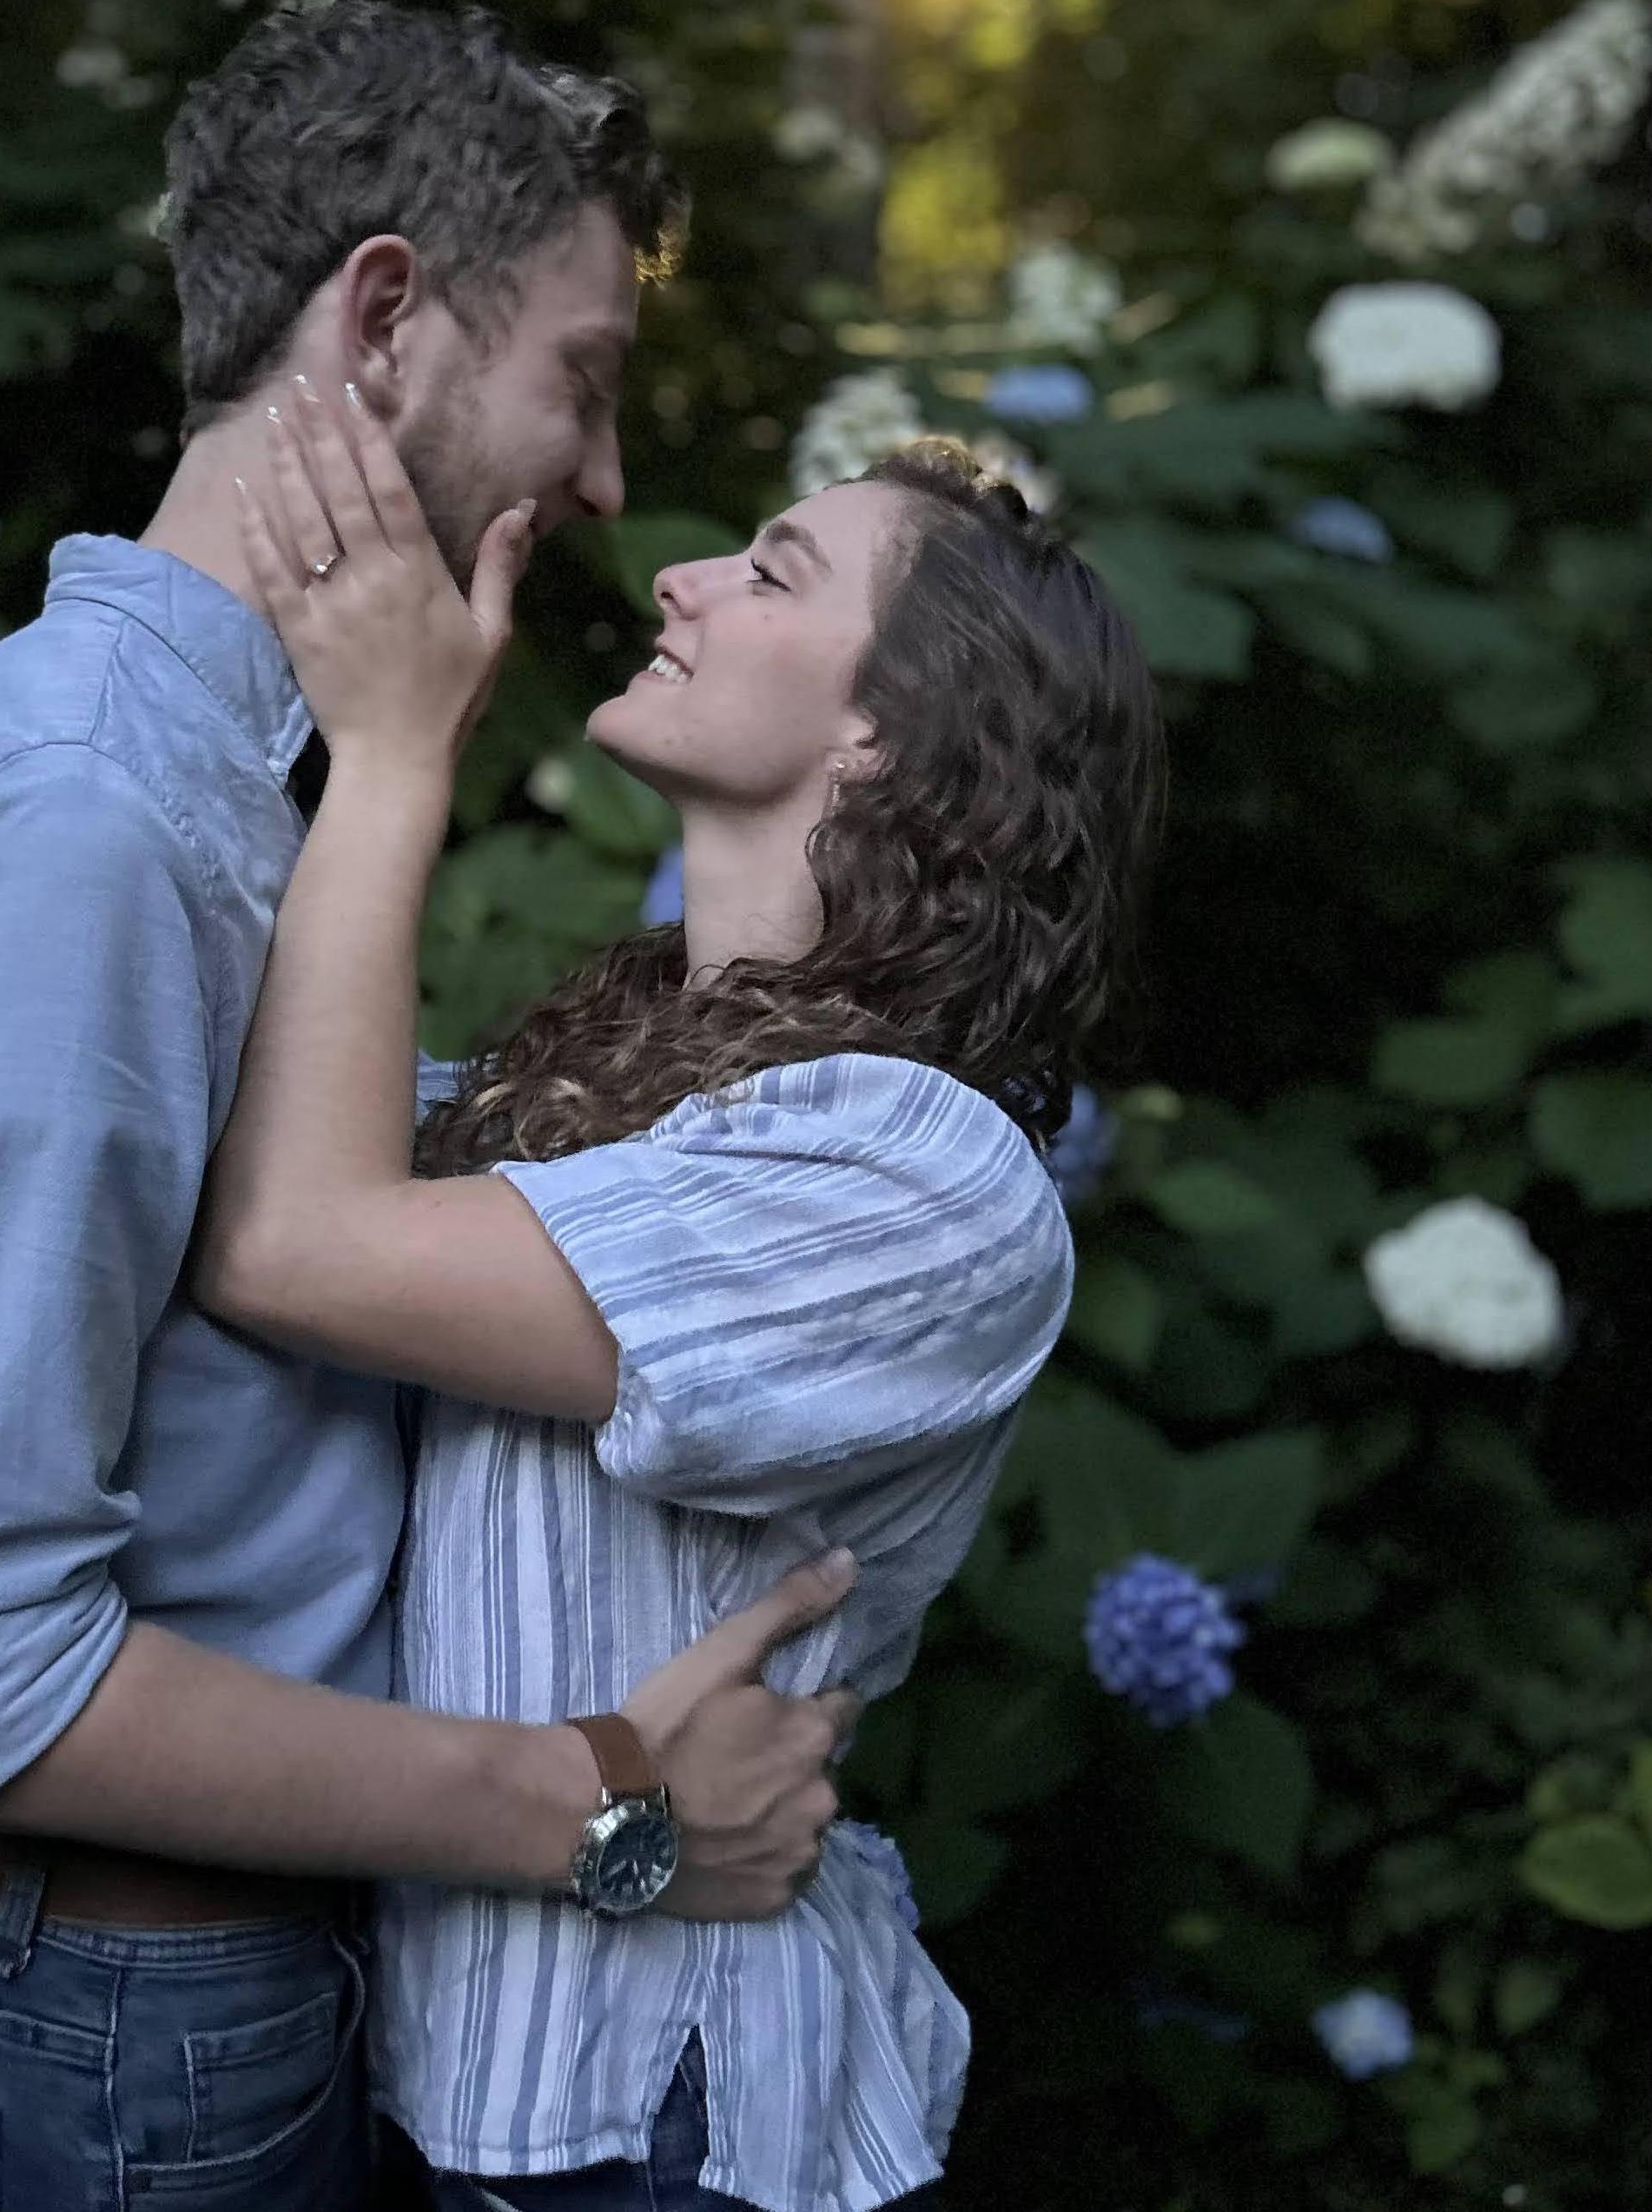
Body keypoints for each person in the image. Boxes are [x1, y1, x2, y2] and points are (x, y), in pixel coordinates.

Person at [0, 0, 854, 2212]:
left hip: (152, 2020)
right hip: (80, 2049)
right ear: (383, 319)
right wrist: (609, 1802)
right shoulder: (90, 819)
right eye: (582, 381)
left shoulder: (235, 796)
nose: (606, 484)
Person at [191, 387, 1166, 2211]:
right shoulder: (602, 1090)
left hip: (673, 2123)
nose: (683, 576)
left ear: (886, 734)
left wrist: (392, 754)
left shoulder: (920, 1174)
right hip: (451, 2090)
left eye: (773, 571)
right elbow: (244, 1143)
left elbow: (294, 1245)